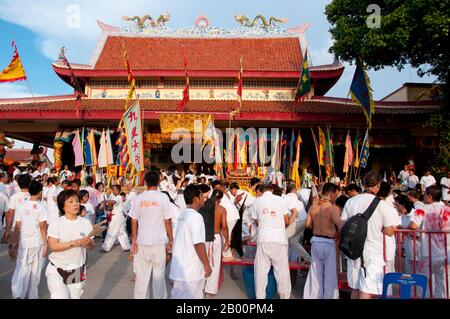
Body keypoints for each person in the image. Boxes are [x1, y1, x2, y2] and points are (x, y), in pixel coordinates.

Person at [341, 171, 397, 299]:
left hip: (353, 249)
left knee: (355, 288)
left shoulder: (351, 202)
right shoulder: (382, 205)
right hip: (372, 251)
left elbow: (343, 224)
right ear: (377, 186)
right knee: (367, 288)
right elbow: (389, 232)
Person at [129, 172, 173, 299]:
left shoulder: (138, 198)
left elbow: (133, 221)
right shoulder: (163, 198)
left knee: (142, 276)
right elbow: (167, 221)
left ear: (145, 182)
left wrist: (134, 240)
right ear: (159, 182)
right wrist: (171, 239)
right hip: (159, 241)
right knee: (159, 275)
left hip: (142, 241)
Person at [46, 189, 96, 299]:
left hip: (76, 269)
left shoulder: (85, 223)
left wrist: (88, 243)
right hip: (57, 268)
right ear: (62, 206)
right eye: (71, 201)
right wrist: (73, 243)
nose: (76, 204)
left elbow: (92, 246)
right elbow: (53, 246)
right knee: (59, 297)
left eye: (77, 201)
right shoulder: (56, 223)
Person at [170, 184, 212, 299]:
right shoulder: (195, 217)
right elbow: (198, 243)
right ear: (195, 199)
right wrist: (206, 264)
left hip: (181, 269)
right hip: (190, 272)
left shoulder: (183, 214)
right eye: (201, 196)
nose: (204, 198)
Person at [250, 183, 291, 299]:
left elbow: (256, 221)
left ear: (261, 191)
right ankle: (285, 296)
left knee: (261, 271)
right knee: (282, 271)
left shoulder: (257, 201)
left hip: (264, 238)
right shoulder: (280, 200)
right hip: (279, 238)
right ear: (272, 190)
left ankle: (260, 298)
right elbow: (287, 221)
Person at [303, 183, 343, 299]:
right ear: (331, 194)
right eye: (335, 194)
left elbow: (307, 225)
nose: (336, 197)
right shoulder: (332, 208)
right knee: (330, 274)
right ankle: (329, 297)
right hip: (328, 242)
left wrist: (318, 227)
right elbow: (340, 226)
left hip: (316, 241)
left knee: (315, 273)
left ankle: (313, 296)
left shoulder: (313, 207)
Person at [409, 185, 449, 298]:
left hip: (429, 253)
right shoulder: (447, 209)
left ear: (429, 196)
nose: (424, 197)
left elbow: (413, 226)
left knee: (422, 281)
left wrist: (406, 229)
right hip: (445, 252)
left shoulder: (422, 209)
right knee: (442, 282)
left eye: (425, 195)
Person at [11, 181, 47, 299]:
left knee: (21, 267)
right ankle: (32, 295)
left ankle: (18, 294)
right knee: (35, 270)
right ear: (40, 192)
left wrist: (14, 242)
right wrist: (46, 244)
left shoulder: (22, 206)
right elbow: (43, 227)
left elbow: (17, 226)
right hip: (37, 242)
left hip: (24, 241)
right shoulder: (41, 207)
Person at [202, 189, 229, 297]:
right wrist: (227, 240)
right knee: (214, 264)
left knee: (202, 262)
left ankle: (200, 287)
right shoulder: (221, 209)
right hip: (215, 238)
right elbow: (224, 227)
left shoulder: (203, 206)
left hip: (203, 237)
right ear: (219, 199)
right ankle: (210, 291)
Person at [284, 183, 311, 263]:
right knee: (293, 241)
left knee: (282, 238)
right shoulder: (296, 199)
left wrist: (288, 224)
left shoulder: (286, 198)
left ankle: (282, 260)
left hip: (297, 221)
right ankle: (309, 259)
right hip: (303, 221)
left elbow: (295, 213)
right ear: (294, 190)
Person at [394, 195, 420, 274]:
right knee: (409, 274)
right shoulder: (403, 216)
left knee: (419, 275)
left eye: (397, 206)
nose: (396, 208)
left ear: (403, 205)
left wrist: (403, 230)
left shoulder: (415, 214)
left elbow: (418, 234)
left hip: (418, 251)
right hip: (408, 250)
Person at [1, 174, 31, 243]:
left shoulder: (14, 197)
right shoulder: (33, 196)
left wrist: (8, 229)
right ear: (29, 183)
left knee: (15, 250)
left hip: (16, 227)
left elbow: (10, 214)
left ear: (18, 183)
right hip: (30, 228)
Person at [101, 184, 130, 253]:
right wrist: (106, 206)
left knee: (111, 231)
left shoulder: (119, 197)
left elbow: (113, 202)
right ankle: (127, 247)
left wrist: (105, 201)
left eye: (113, 189)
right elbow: (110, 208)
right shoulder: (115, 197)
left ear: (118, 190)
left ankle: (106, 248)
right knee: (121, 232)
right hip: (118, 216)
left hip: (117, 217)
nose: (112, 191)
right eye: (112, 189)